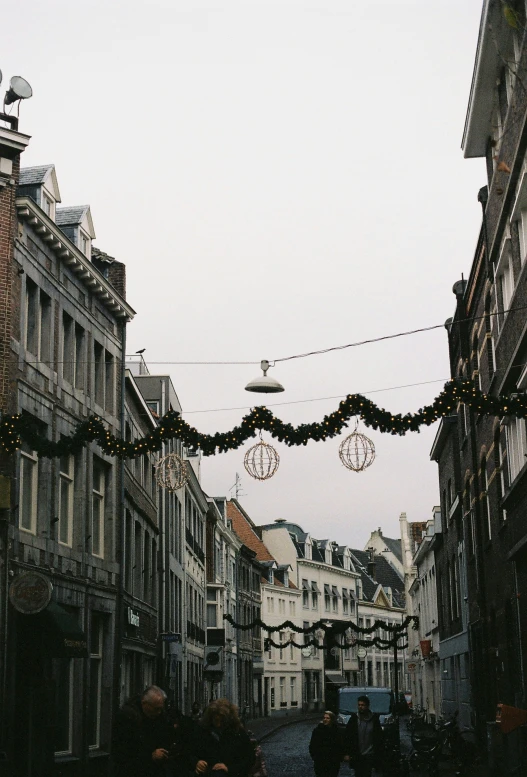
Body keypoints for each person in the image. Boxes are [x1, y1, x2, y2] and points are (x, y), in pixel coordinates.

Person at [112, 685, 170, 777]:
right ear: (144, 703)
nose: (159, 712)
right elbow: (124, 752)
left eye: (160, 709)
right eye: (156, 709)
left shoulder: (159, 717)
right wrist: (150, 756)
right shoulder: (128, 718)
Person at [191, 698, 255, 777]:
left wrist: (229, 769)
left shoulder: (237, 732)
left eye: (222, 721)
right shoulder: (202, 731)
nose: (218, 725)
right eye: (216, 720)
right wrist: (197, 762)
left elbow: (249, 758)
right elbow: (189, 752)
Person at [342, 695, 383, 777]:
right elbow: (347, 736)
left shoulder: (374, 720)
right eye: (359, 705)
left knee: (367, 773)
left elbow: (379, 737)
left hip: (369, 754)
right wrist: (346, 753)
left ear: (367, 706)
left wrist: (378, 753)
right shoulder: (354, 719)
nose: (360, 707)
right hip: (357, 754)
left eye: (363, 705)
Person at [309, 710, 343, 777]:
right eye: (324, 718)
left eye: (327, 718)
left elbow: (340, 745)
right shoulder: (317, 731)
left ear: (332, 720)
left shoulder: (337, 731)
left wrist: (339, 758)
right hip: (320, 761)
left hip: (333, 762)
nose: (325, 719)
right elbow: (312, 745)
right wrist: (314, 756)